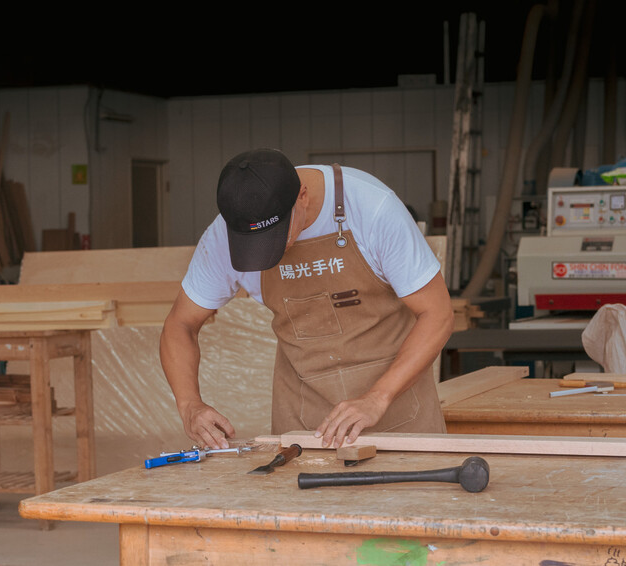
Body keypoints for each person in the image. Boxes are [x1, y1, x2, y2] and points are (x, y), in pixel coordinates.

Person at [160, 148, 453, 450]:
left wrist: (378, 398)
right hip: (302, 423)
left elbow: (438, 314)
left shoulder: (372, 209)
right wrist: (189, 405)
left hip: (397, 410)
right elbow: (180, 324)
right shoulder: (223, 235)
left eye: (275, 238)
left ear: (302, 196)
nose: (269, 252)